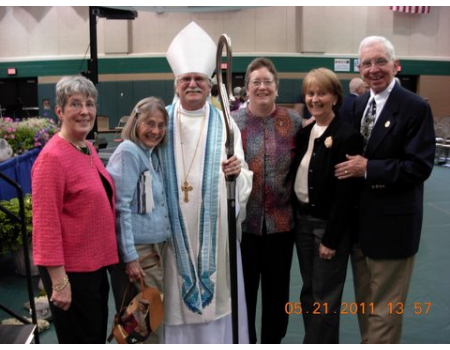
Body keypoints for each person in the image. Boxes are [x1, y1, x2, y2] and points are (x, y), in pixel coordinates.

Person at [334, 36, 435, 343]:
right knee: (367, 307)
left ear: (396, 65)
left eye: (380, 61)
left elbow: (419, 166)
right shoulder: (360, 104)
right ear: (359, 68)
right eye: (367, 63)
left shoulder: (415, 107)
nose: (374, 69)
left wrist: (369, 168)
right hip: (361, 228)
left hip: (394, 227)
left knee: (385, 312)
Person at [160, 21, 253, 343]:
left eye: (199, 78)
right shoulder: (160, 122)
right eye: (186, 79)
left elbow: (243, 174)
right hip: (173, 233)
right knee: (172, 294)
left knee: (221, 297)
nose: (192, 84)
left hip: (217, 231)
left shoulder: (227, 124)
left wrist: (236, 173)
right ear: (176, 84)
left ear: (210, 83)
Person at [32, 75, 118, 343]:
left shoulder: (86, 148)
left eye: (90, 104)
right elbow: (46, 225)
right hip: (72, 275)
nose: (84, 111)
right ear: (59, 111)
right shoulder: (52, 158)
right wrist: (59, 282)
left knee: (94, 335)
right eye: (75, 104)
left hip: (94, 267)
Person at [232, 57, 302, 344]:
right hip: (243, 228)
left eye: (267, 82)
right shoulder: (232, 123)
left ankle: (273, 342)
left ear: (276, 87)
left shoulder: (293, 122)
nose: (262, 87)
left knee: (277, 294)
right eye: (256, 82)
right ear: (246, 89)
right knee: (244, 294)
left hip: (281, 227)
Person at [292, 68, 363, 343]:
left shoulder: (347, 136)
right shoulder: (305, 131)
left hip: (327, 229)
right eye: (310, 93)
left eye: (322, 93)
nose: (315, 98)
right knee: (309, 291)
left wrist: (331, 240)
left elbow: (347, 196)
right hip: (303, 224)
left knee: (325, 299)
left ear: (335, 97)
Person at [106, 97, 171, 343]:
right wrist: (130, 257)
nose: (155, 131)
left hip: (153, 249)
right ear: (136, 123)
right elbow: (120, 208)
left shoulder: (150, 154)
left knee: (148, 316)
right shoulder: (129, 152)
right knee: (144, 323)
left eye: (161, 125)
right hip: (140, 252)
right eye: (149, 124)